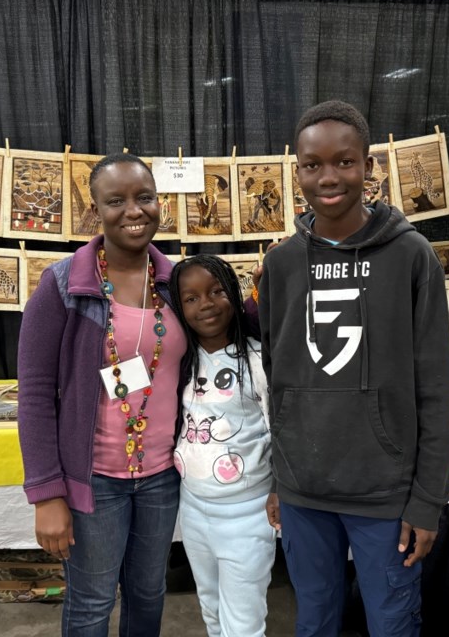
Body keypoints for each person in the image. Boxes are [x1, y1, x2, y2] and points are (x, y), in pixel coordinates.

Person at [257, 100, 449, 637]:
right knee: (315, 621)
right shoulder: (279, 264)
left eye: (345, 162)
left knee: (392, 624)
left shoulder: (412, 257)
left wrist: (427, 500)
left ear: (369, 167)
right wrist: (280, 478)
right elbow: (278, 381)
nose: (328, 176)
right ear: (295, 170)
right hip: (304, 494)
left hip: (385, 497)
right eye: (312, 164)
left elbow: (436, 389)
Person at [17, 154, 187, 637]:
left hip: (161, 478)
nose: (134, 210)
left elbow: (228, 339)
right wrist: (46, 494)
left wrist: (265, 293)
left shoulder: (176, 285)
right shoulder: (64, 285)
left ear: (160, 204)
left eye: (145, 197)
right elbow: (33, 396)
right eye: (116, 201)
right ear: (95, 211)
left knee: (149, 594)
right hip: (94, 480)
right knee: (92, 602)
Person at [168, 254, 274, 637]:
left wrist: (279, 488)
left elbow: (280, 429)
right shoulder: (180, 362)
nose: (206, 304)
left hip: (247, 516)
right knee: (211, 611)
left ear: (234, 293)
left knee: (243, 623)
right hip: (194, 510)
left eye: (216, 291)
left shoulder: (258, 361)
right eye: (191, 298)